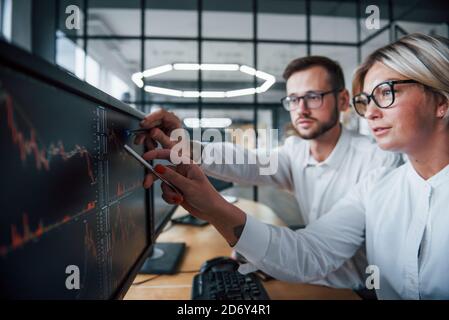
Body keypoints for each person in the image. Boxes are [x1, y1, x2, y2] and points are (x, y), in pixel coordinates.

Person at [139, 33, 449, 299]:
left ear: (342, 101)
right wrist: (186, 147)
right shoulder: (299, 154)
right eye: (293, 99)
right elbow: (249, 162)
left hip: (352, 289)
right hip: (311, 277)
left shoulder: (379, 162)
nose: (300, 109)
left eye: (312, 97)